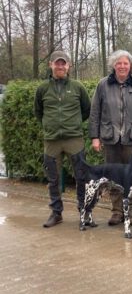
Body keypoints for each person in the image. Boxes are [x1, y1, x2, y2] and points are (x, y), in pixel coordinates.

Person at [34, 50, 91, 228]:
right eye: (57, 63)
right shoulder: (42, 88)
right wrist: (51, 125)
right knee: (53, 179)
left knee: (81, 176)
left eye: (63, 63)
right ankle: (56, 213)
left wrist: (72, 125)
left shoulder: (77, 87)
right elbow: (38, 112)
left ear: (69, 66)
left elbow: (86, 110)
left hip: (74, 139)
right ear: (50, 64)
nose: (60, 66)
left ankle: (84, 211)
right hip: (52, 141)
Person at [89, 50, 132, 225]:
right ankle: (117, 211)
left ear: (131, 66)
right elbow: (95, 112)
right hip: (110, 138)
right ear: (113, 65)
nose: (122, 66)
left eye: (125, 63)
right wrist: (94, 137)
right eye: (118, 63)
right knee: (114, 177)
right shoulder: (103, 85)